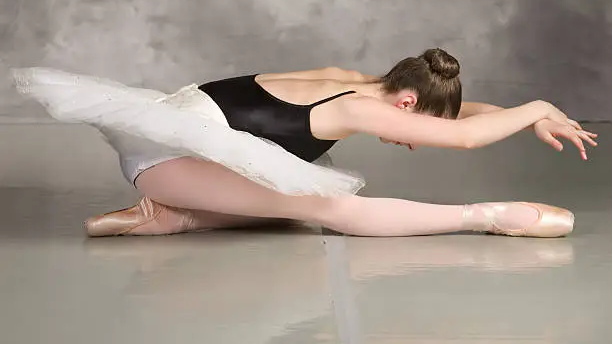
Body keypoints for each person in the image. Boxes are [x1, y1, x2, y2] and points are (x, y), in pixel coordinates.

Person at [12, 48, 596, 238]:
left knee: (284, 207)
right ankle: (488, 217)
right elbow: (465, 137)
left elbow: (461, 115)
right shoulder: (356, 107)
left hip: (175, 140)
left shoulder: (356, 81)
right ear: (408, 104)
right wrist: (540, 106)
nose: (411, 140)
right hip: (169, 156)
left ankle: (171, 217)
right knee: (328, 208)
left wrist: (519, 118)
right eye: (415, 128)